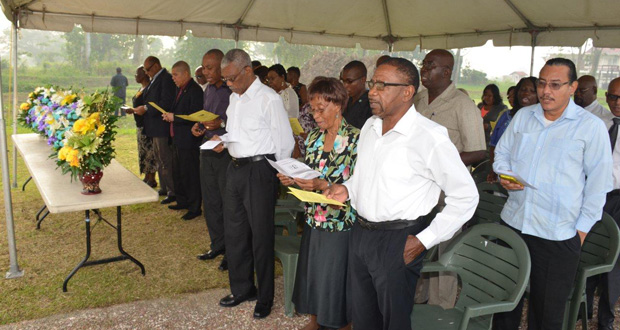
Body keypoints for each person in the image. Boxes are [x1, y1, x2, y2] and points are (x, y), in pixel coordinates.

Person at [324, 57, 478, 330]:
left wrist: (423, 240)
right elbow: (364, 176)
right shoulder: (371, 127)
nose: (372, 91)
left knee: (393, 321)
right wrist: (347, 189)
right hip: (361, 233)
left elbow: (466, 196)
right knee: (363, 317)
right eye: (373, 83)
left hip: (399, 239)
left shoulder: (429, 136)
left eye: (382, 85)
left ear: (407, 92)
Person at [493, 58, 613, 330]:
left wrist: (580, 233)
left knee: (547, 315)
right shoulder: (525, 116)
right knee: (503, 306)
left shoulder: (590, 127)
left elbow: (598, 185)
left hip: (557, 234)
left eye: (556, 85)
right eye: (542, 83)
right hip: (514, 223)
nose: (546, 91)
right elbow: (502, 154)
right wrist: (504, 175)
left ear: (572, 88)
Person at [212, 49, 294, 319]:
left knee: (260, 236)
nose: (229, 84)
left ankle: (265, 297)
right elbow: (237, 132)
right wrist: (223, 141)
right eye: (225, 80)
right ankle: (242, 288)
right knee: (234, 232)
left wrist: (279, 175)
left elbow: (284, 141)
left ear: (248, 70)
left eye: (232, 78)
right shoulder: (235, 99)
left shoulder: (268, 99)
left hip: (260, 171)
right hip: (234, 168)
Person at [278, 76, 359, 330]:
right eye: (312, 108)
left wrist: (323, 186)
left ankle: (340, 324)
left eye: (320, 109)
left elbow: (360, 183)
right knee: (313, 273)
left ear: (338, 105)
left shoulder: (357, 139)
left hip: (340, 221)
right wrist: (293, 177)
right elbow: (311, 171)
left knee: (335, 278)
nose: (315, 114)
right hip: (314, 217)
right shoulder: (313, 137)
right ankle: (315, 320)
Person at [413, 48, 486, 309]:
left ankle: (440, 310)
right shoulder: (419, 100)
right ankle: (418, 298)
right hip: (419, 192)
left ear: (446, 71)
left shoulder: (462, 105)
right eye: (423, 64)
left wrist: (442, 164)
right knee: (419, 245)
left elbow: (478, 150)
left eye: (429, 65)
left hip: (448, 194)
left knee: (445, 251)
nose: (423, 69)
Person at [192, 49, 232, 272]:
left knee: (227, 203)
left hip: (225, 151)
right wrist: (198, 125)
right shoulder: (207, 89)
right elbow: (206, 115)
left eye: (210, 68)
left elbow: (235, 122)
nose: (205, 72)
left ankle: (230, 251)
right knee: (210, 202)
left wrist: (222, 124)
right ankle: (216, 245)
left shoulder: (232, 90)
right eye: (203, 67)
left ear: (222, 67)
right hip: (206, 149)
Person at [586, 77, 620, 330]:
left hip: (618, 200)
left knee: (613, 262)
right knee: (586, 252)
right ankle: (582, 310)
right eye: (613, 97)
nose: (617, 103)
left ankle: (606, 319)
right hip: (593, 196)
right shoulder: (598, 124)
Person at [162, 61, 204, 220]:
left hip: (189, 140)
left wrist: (175, 117)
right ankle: (182, 200)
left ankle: (194, 207)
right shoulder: (180, 90)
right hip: (177, 138)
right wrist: (169, 115)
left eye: (175, 74)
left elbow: (195, 116)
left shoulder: (195, 90)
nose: (172, 78)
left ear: (186, 73)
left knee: (190, 175)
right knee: (178, 173)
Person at [134, 56, 177, 204]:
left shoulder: (166, 78)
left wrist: (146, 108)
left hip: (162, 126)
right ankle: (164, 187)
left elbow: (165, 102)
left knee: (165, 159)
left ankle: (173, 191)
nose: (146, 72)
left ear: (157, 65)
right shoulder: (155, 79)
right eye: (145, 70)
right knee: (158, 159)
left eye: (148, 69)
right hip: (153, 126)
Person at [487, 77, 538, 182]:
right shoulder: (506, 116)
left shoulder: (541, 120)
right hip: (503, 173)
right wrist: (494, 170)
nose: (526, 94)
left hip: (527, 178)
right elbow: (494, 145)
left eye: (532, 91)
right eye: (523, 90)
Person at [125, 66, 158, 188]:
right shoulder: (141, 88)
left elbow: (147, 107)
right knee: (143, 151)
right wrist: (132, 110)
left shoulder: (149, 88)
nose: (135, 76)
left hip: (147, 125)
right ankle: (146, 176)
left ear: (144, 75)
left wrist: (134, 110)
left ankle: (152, 178)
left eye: (137, 74)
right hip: (139, 124)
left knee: (150, 152)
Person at [340, 61, 372, 130]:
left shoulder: (370, 105)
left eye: (349, 81)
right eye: (343, 81)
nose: (344, 85)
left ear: (363, 80)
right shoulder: (346, 101)